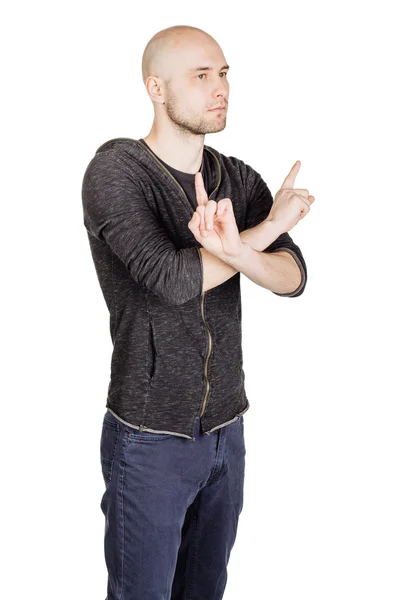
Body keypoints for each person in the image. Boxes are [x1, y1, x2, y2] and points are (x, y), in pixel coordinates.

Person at [81, 24, 314, 600]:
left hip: (226, 432)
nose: (221, 89)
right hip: (148, 435)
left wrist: (243, 247)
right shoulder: (116, 171)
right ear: (156, 88)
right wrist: (264, 233)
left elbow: (292, 278)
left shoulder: (234, 177)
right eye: (202, 76)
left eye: (225, 74)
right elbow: (171, 279)